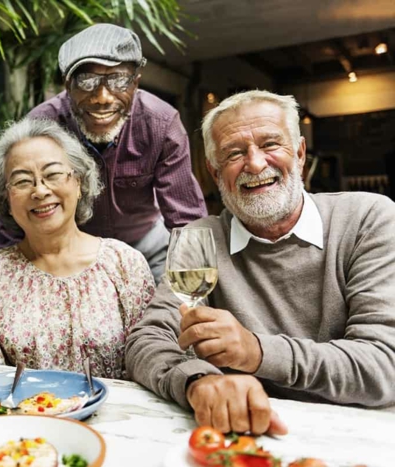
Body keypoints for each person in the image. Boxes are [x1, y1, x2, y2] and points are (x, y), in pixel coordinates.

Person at [125, 90, 395, 436]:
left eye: (270, 145)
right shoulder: (200, 239)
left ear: (299, 154)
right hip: (247, 434)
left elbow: (384, 365)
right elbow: (148, 339)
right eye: (234, 153)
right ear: (215, 172)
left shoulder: (368, 219)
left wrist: (257, 351)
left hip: (358, 434)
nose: (254, 164)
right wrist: (198, 380)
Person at [0, 23, 207, 283]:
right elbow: (17, 210)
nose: (103, 97)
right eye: (87, 81)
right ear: (67, 84)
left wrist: (197, 287)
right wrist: (1, 282)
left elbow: (185, 219)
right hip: (71, 254)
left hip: (149, 249)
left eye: (119, 80)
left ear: (136, 83)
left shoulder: (161, 123)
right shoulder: (42, 126)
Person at [0, 118, 155, 379]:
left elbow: (150, 359)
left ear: (78, 183)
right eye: (22, 181)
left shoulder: (125, 263)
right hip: (26, 417)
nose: (40, 190)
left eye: (53, 174)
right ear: (7, 199)